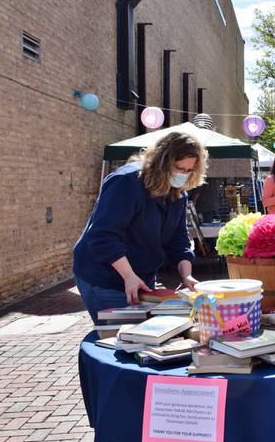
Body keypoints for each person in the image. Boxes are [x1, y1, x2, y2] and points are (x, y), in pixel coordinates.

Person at [73, 132, 208, 321]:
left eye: (188, 171)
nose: (182, 175)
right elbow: (103, 236)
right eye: (178, 168)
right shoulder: (126, 182)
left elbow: (178, 241)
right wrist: (128, 275)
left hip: (140, 275)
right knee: (120, 336)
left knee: (144, 333)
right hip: (104, 275)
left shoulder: (178, 195)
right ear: (162, 162)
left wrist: (187, 276)